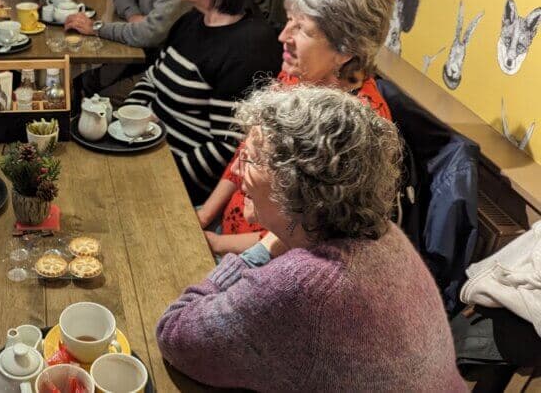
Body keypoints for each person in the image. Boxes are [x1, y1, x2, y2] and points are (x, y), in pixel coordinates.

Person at [156, 85, 464, 391]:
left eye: (249, 160)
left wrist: (260, 249)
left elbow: (175, 334)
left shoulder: (304, 286)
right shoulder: (386, 236)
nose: (237, 169)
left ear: (292, 184)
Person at [197, 0, 395, 255]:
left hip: (269, 259)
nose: (283, 36)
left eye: (302, 29)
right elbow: (247, 152)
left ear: (346, 50)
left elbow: (308, 232)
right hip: (228, 230)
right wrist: (204, 215)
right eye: (289, 20)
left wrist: (218, 246)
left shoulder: (357, 126)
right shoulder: (296, 75)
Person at [122, 0, 282, 204]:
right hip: (145, 152)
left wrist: (158, 178)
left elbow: (226, 147)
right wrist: (128, 122)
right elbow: (151, 79)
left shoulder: (251, 47)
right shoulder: (191, 22)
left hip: (182, 187)